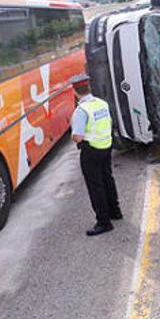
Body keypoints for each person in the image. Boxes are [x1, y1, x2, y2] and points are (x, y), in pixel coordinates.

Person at [70, 75, 121, 236]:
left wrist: (78, 139)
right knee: (108, 179)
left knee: (96, 186)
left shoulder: (81, 110)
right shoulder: (102, 103)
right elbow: (109, 123)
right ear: (89, 87)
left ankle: (104, 222)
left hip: (91, 151)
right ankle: (115, 211)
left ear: (75, 91)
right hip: (106, 147)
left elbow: (77, 136)